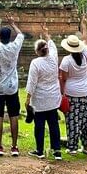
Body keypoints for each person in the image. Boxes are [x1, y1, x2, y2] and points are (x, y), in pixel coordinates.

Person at [0, 13, 24, 157]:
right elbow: (21, 35)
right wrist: (13, 23)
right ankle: (14, 147)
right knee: (14, 115)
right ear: (9, 37)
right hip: (12, 87)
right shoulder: (15, 47)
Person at [25, 23, 62, 161]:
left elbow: (32, 83)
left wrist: (28, 98)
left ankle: (40, 150)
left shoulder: (35, 63)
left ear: (37, 51)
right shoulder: (53, 57)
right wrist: (46, 33)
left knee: (39, 125)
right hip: (53, 98)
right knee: (54, 125)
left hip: (40, 99)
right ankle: (57, 151)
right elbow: (51, 44)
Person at [59, 14, 87, 155]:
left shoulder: (67, 61)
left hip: (72, 94)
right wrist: (83, 24)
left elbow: (63, 78)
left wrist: (62, 93)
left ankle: (72, 147)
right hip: (86, 91)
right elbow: (85, 38)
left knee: (73, 120)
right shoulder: (85, 54)